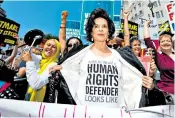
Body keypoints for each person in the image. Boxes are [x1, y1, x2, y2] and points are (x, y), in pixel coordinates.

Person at [49, 8, 154, 109]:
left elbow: (131, 83)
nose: (100, 29)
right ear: (91, 32)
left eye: (104, 26)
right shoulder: (78, 56)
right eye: (96, 26)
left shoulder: (120, 57)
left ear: (109, 32)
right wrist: (60, 72)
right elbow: (68, 77)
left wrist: (145, 83)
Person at [144, 20, 175, 103]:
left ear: (172, 43)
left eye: (168, 41)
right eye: (163, 41)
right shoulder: (159, 57)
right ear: (160, 45)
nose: (166, 43)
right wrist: (146, 25)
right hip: (167, 95)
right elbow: (148, 42)